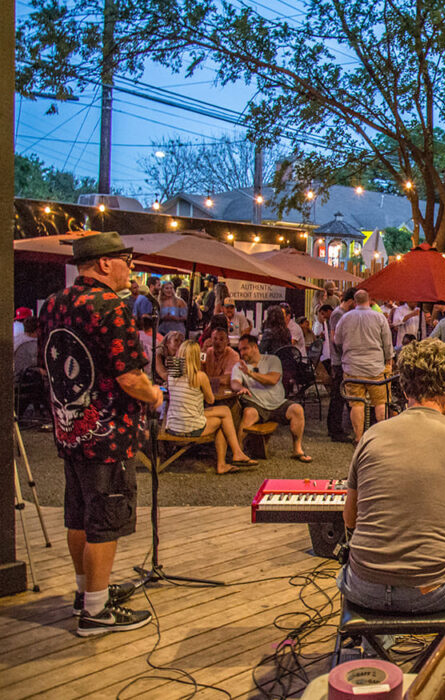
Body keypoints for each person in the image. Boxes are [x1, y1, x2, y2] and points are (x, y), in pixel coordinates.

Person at [39, 231, 162, 635]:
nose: (131, 267)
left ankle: (85, 592)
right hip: (109, 434)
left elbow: (48, 366)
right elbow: (129, 375)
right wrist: (156, 395)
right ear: (105, 263)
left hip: (70, 429)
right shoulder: (111, 306)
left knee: (78, 515)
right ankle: (97, 611)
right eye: (126, 259)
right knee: (105, 520)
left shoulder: (55, 304)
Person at [338, 339, 445, 612]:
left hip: (363, 585)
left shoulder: (372, 436)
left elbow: (350, 518)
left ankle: (375, 649)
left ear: (404, 388)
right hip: (430, 591)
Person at [165, 340, 257, 474]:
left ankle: (235, 454)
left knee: (224, 412)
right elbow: (211, 399)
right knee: (223, 419)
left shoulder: (172, 375)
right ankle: (229, 459)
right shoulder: (200, 376)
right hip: (188, 427)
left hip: (173, 425)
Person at [231, 334, 312, 463]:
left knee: (297, 410)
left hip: (278, 403)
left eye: (245, 349)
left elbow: (272, 379)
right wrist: (240, 387)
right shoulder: (239, 366)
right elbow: (234, 382)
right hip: (256, 404)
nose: (242, 353)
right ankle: (238, 451)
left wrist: (250, 373)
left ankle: (297, 449)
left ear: (255, 347)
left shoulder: (272, 360)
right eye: (240, 350)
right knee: (248, 413)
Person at [335, 289, 394, 442]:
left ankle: (358, 437)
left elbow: (337, 340)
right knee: (381, 402)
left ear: (355, 301)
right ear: (369, 300)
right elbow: (387, 341)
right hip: (375, 367)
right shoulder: (379, 317)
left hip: (352, 366)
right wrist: (389, 359)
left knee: (357, 403)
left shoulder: (345, 318)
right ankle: (382, 437)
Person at [325, 288, 358, 443]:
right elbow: (336, 338)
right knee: (338, 395)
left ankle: (337, 427)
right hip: (340, 360)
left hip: (340, 359)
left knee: (340, 394)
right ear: (351, 300)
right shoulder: (339, 314)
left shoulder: (339, 314)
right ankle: (335, 429)